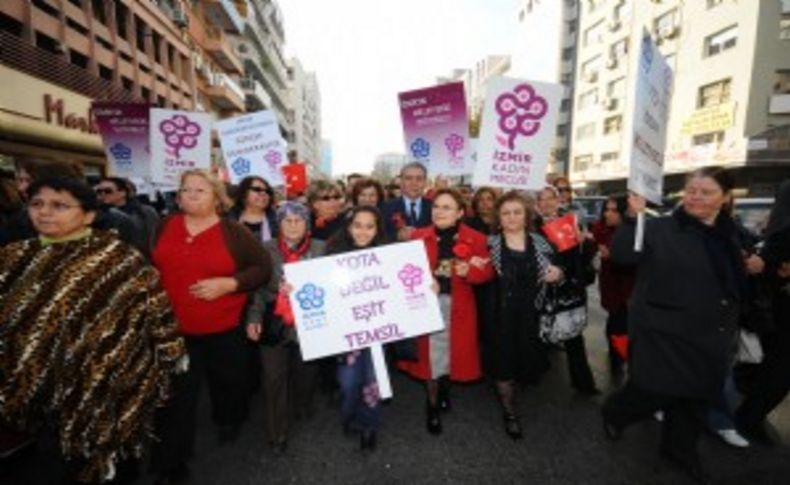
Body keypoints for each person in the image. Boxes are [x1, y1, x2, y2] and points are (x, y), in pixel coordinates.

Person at [0, 177, 186, 483]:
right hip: (42, 392)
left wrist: (165, 359)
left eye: (59, 205)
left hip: (112, 389)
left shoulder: (120, 258)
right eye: (36, 204)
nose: (45, 212)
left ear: (87, 215)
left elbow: (155, 314)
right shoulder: (13, 258)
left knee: (116, 467)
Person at [602, 168, 747, 484]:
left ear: (724, 199)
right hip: (663, 333)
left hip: (710, 334)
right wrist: (632, 216)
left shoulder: (730, 232)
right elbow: (622, 255)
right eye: (691, 190)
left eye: (705, 192)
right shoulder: (660, 227)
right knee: (652, 391)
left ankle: (679, 450)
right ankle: (615, 413)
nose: (695, 197)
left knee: (693, 399)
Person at [149, 169, 271, 484]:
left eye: (200, 190)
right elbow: (149, 266)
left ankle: (228, 421)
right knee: (177, 397)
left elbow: (262, 268)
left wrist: (231, 283)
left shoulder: (234, 232)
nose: (190, 195)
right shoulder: (164, 225)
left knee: (228, 384)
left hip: (224, 329)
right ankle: (172, 463)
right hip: (174, 330)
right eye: (185, 190)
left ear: (217, 199)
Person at [398, 188, 494, 435]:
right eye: (437, 206)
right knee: (430, 358)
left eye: (447, 207)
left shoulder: (477, 238)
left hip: (460, 306)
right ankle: (431, 405)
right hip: (427, 305)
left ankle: (443, 390)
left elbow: (487, 272)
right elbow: (402, 272)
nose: (439, 211)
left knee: (452, 355)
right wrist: (423, 282)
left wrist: (469, 272)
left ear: (460, 212)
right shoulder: (417, 236)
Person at [482, 191, 563, 439]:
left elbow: (561, 271)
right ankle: (509, 411)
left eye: (517, 212)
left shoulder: (542, 243)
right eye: (506, 213)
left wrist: (557, 274)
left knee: (525, 361)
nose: (512, 217)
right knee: (503, 365)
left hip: (531, 316)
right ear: (499, 218)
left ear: (526, 215)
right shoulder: (488, 245)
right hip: (499, 316)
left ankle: (516, 387)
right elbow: (479, 278)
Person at [244, 202, 324, 453]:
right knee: (273, 379)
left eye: (298, 220)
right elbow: (256, 289)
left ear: (307, 224)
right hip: (274, 322)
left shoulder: (321, 248)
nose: (292, 225)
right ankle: (277, 433)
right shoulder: (264, 250)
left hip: (310, 323)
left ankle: (303, 404)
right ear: (279, 223)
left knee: (306, 374)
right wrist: (253, 318)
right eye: (287, 220)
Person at [326, 206, 390, 451]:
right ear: (349, 227)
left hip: (378, 333)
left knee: (372, 381)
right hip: (346, 335)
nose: (363, 231)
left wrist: (428, 288)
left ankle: (368, 426)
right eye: (358, 225)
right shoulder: (331, 255)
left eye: (369, 226)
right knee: (348, 383)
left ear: (378, 229)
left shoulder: (389, 256)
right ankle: (350, 416)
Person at [736, 179, 790, 446]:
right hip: (781, 312)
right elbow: (762, 264)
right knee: (779, 372)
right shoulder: (781, 236)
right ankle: (749, 417)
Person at [535, 186, 599, 395]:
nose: (546, 203)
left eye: (550, 198)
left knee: (574, 336)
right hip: (543, 288)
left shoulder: (572, 222)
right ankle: (535, 378)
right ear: (536, 203)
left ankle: (584, 384)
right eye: (541, 199)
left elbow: (585, 258)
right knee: (540, 334)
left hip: (569, 287)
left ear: (558, 200)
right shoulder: (530, 226)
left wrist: (585, 242)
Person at [590, 194, 635, 375]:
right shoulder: (598, 231)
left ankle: (621, 360)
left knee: (623, 327)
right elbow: (592, 261)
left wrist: (614, 255)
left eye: (614, 210)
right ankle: (617, 363)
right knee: (616, 326)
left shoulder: (635, 232)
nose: (609, 214)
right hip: (611, 289)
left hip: (632, 290)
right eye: (606, 210)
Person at [94, 176, 160, 250]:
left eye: (108, 191)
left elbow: (154, 237)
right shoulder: (95, 214)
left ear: (122, 193)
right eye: (99, 191)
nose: (103, 194)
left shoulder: (146, 212)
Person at [382, 162, 433, 241]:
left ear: (425, 182)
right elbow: (378, 237)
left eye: (419, 179)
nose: (414, 183)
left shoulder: (435, 207)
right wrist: (397, 236)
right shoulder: (385, 207)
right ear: (401, 182)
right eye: (408, 178)